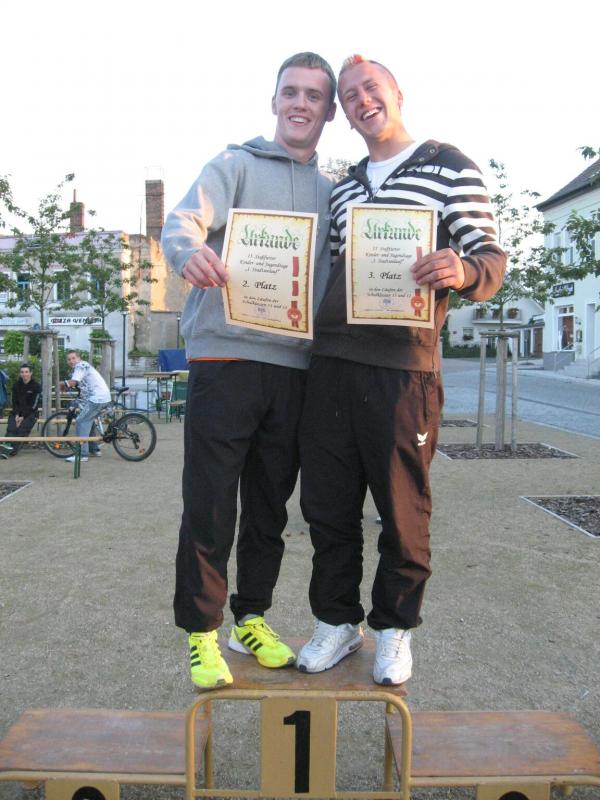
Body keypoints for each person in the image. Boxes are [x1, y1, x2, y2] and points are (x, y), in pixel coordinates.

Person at [297, 55, 507, 685]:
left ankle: (394, 629)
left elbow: (490, 258)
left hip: (402, 370)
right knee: (328, 508)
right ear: (344, 113)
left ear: (397, 93)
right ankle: (337, 622)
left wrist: (462, 270)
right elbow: (332, 273)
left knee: (402, 509)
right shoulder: (343, 188)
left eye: (372, 88)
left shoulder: (450, 166)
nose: (362, 100)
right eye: (350, 95)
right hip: (332, 363)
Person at [161, 52, 337, 689]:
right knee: (210, 503)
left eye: (313, 96)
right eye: (290, 92)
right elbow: (182, 222)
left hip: (293, 369)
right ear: (274, 101)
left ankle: (251, 619)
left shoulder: (333, 193)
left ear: (328, 111)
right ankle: (202, 633)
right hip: (225, 359)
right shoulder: (233, 165)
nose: (299, 103)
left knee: (269, 509)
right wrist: (187, 253)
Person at [61, 350, 111, 462]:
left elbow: (73, 382)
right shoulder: (83, 367)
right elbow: (83, 390)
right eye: (69, 359)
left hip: (97, 398)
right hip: (102, 397)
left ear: (79, 358)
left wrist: (63, 384)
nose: (71, 361)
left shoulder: (81, 366)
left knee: (80, 421)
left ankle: (82, 455)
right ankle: (94, 449)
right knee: (89, 420)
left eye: (73, 358)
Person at [0, 364, 41, 458]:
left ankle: (9, 451)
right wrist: (17, 415)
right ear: (20, 373)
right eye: (22, 372)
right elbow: (14, 402)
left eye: (26, 372)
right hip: (16, 413)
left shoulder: (36, 386)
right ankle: (5, 450)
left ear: (30, 373)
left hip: (31, 414)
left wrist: (23, 416)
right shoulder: (16, 386)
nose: (24, 374)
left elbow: (34, 405)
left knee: (21, 430)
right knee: (11, 429)